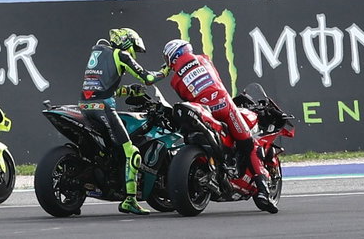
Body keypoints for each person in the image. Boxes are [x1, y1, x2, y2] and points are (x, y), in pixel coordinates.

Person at [163, 38, 277, 212]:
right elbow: (217, 79)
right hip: (224, 105)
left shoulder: (174, 80)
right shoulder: (203, 59)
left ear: (173, 56)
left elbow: (186, 97)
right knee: (248, 143)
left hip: (202, 110)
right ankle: (263, 189)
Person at [79, 27, 163, 214]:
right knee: (132, 152)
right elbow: (148, 78)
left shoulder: (100, 53)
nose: (134, 52)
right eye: (134, 47)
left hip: (85, 106)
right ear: (127, 42)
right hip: (103, 108)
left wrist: (131, 91)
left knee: (107, 149)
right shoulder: (121, 55)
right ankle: (130, 200)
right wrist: (166, 71)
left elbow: (107, 88)